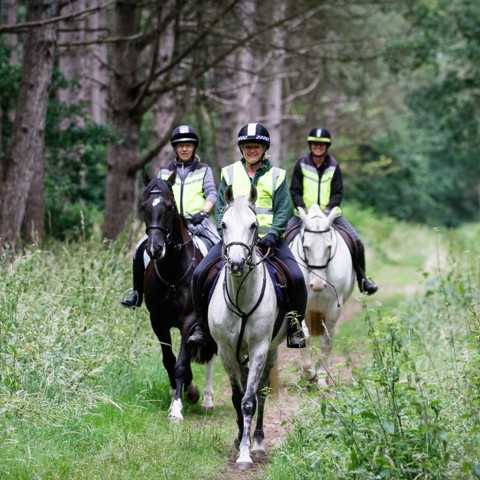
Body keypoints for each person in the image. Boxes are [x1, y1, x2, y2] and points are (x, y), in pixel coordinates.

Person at [188, 122, 307, 348]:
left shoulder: (278, 176)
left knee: (296, 277)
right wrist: (230, 235)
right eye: (247, 146)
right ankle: (202, 327)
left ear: (264, 149)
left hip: (269, 240)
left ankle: (295, 328)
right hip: (234, 240)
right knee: (199, 274)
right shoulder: (229, 172)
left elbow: (282, 211)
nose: (252, 150)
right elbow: (222, 208)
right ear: (241, 149)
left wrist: (273, 234)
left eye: (256, 147)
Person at [121, 125, 219, 309]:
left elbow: (212, 193)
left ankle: (217, 294)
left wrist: (203, 212)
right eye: (180, 145)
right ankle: (136, 293)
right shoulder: (164, 172)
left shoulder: (204, 170)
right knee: (139, 249)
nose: (184, 148)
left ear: (194, 147)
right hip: (169, 225)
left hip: (198, 222)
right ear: (175, 147)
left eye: (188, 145)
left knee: (220, 247)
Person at [289, 127, 378, 295]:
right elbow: (295, 190)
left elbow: (338, 193)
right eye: (315, 144)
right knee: (282, 241)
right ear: (310, 145)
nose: (318, 147)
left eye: (322, 144)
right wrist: (305, 210)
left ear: (327, 146)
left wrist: (328, 211)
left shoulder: (334, 165)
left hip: (330, 217)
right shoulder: (301, 163)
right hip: (304, 216)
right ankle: (282, 281)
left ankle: (363, 280)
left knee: (357, 242)